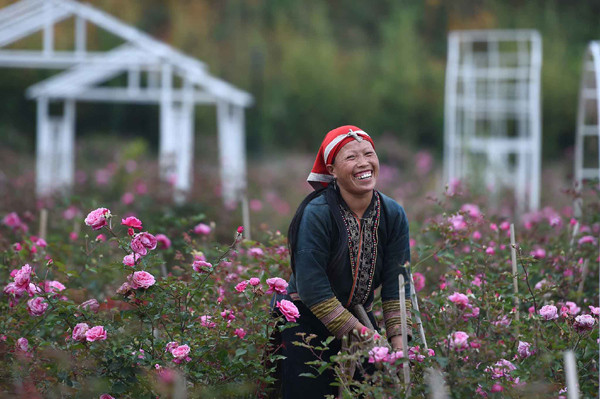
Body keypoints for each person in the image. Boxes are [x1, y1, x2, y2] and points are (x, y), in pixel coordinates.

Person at [274, 125, 413, 398]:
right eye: (351, 157)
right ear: (332, 169)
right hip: (306, 321)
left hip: (360, 316)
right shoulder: (317, 214)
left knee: (367, 390)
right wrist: (366, 335)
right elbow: (312, 288)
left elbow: (398, 283)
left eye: (369, 154)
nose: (363, 163)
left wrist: (398, 346)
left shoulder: (393, 214)